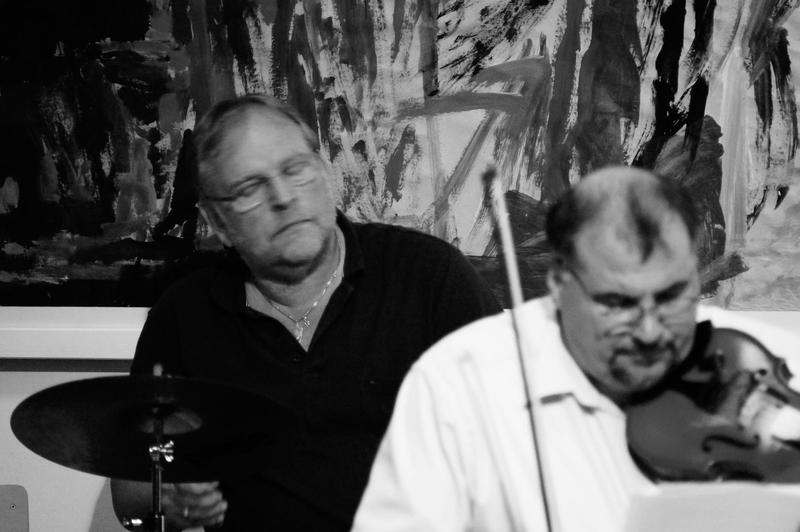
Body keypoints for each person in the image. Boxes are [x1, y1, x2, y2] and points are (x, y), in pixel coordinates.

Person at [110, 94, 500, 531]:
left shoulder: (430, 276)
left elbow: (521, 440)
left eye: (294, 169)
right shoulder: (184, 315)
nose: (282, 197)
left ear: (323, 171)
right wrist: (173, 498)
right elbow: (129, 496)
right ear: (218, 223)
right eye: (249, 189)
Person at [351, 165, 800, 531]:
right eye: (617, 303)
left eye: (672, 296)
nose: (650, 333)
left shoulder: (765, 356)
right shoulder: (456, 383)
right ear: (560, 285)